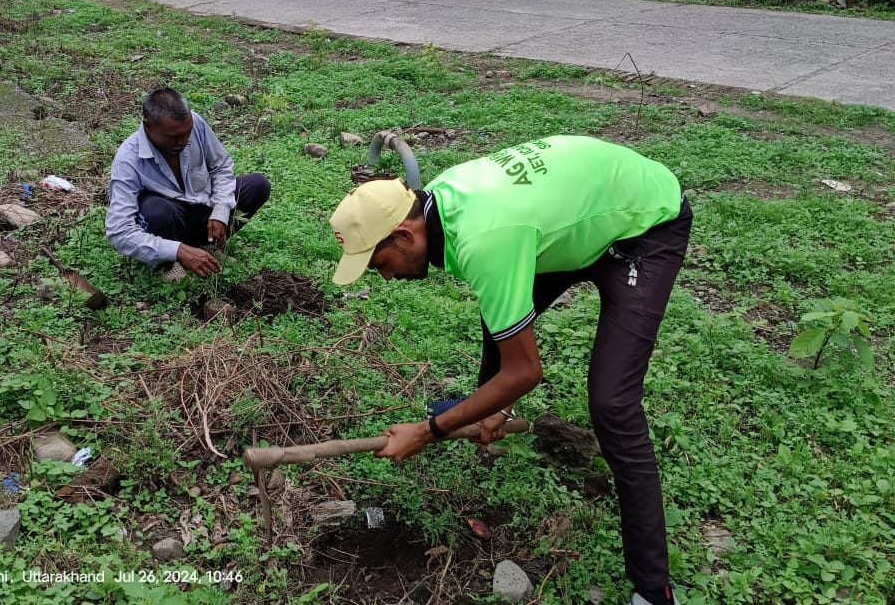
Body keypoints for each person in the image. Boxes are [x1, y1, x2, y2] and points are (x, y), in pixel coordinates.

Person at [328, 135, 692, 605]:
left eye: (380, 263)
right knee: (501, 311)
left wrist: (428, 430)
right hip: (577, 217)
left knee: (613, 405)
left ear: (404, 235)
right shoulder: (443, 203)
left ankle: (655, 591)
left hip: (643, 221)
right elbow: (502, 308)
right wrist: (492, 406)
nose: (385, 276)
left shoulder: (484, 238)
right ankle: (491, 410)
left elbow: (525, 371)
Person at [106, 87, 271, 279]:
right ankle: (167, 264)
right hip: (167, 224)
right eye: (174, 137)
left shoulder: (196, 123)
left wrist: (221, 210)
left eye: (187, 133)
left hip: (202, 209)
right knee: (156, 211)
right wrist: (177, 250)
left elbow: (221, 166)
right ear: (148, 125)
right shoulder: (128, 161)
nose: (184, 141)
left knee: (257, 185)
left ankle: (207, 245)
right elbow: (119, 230)